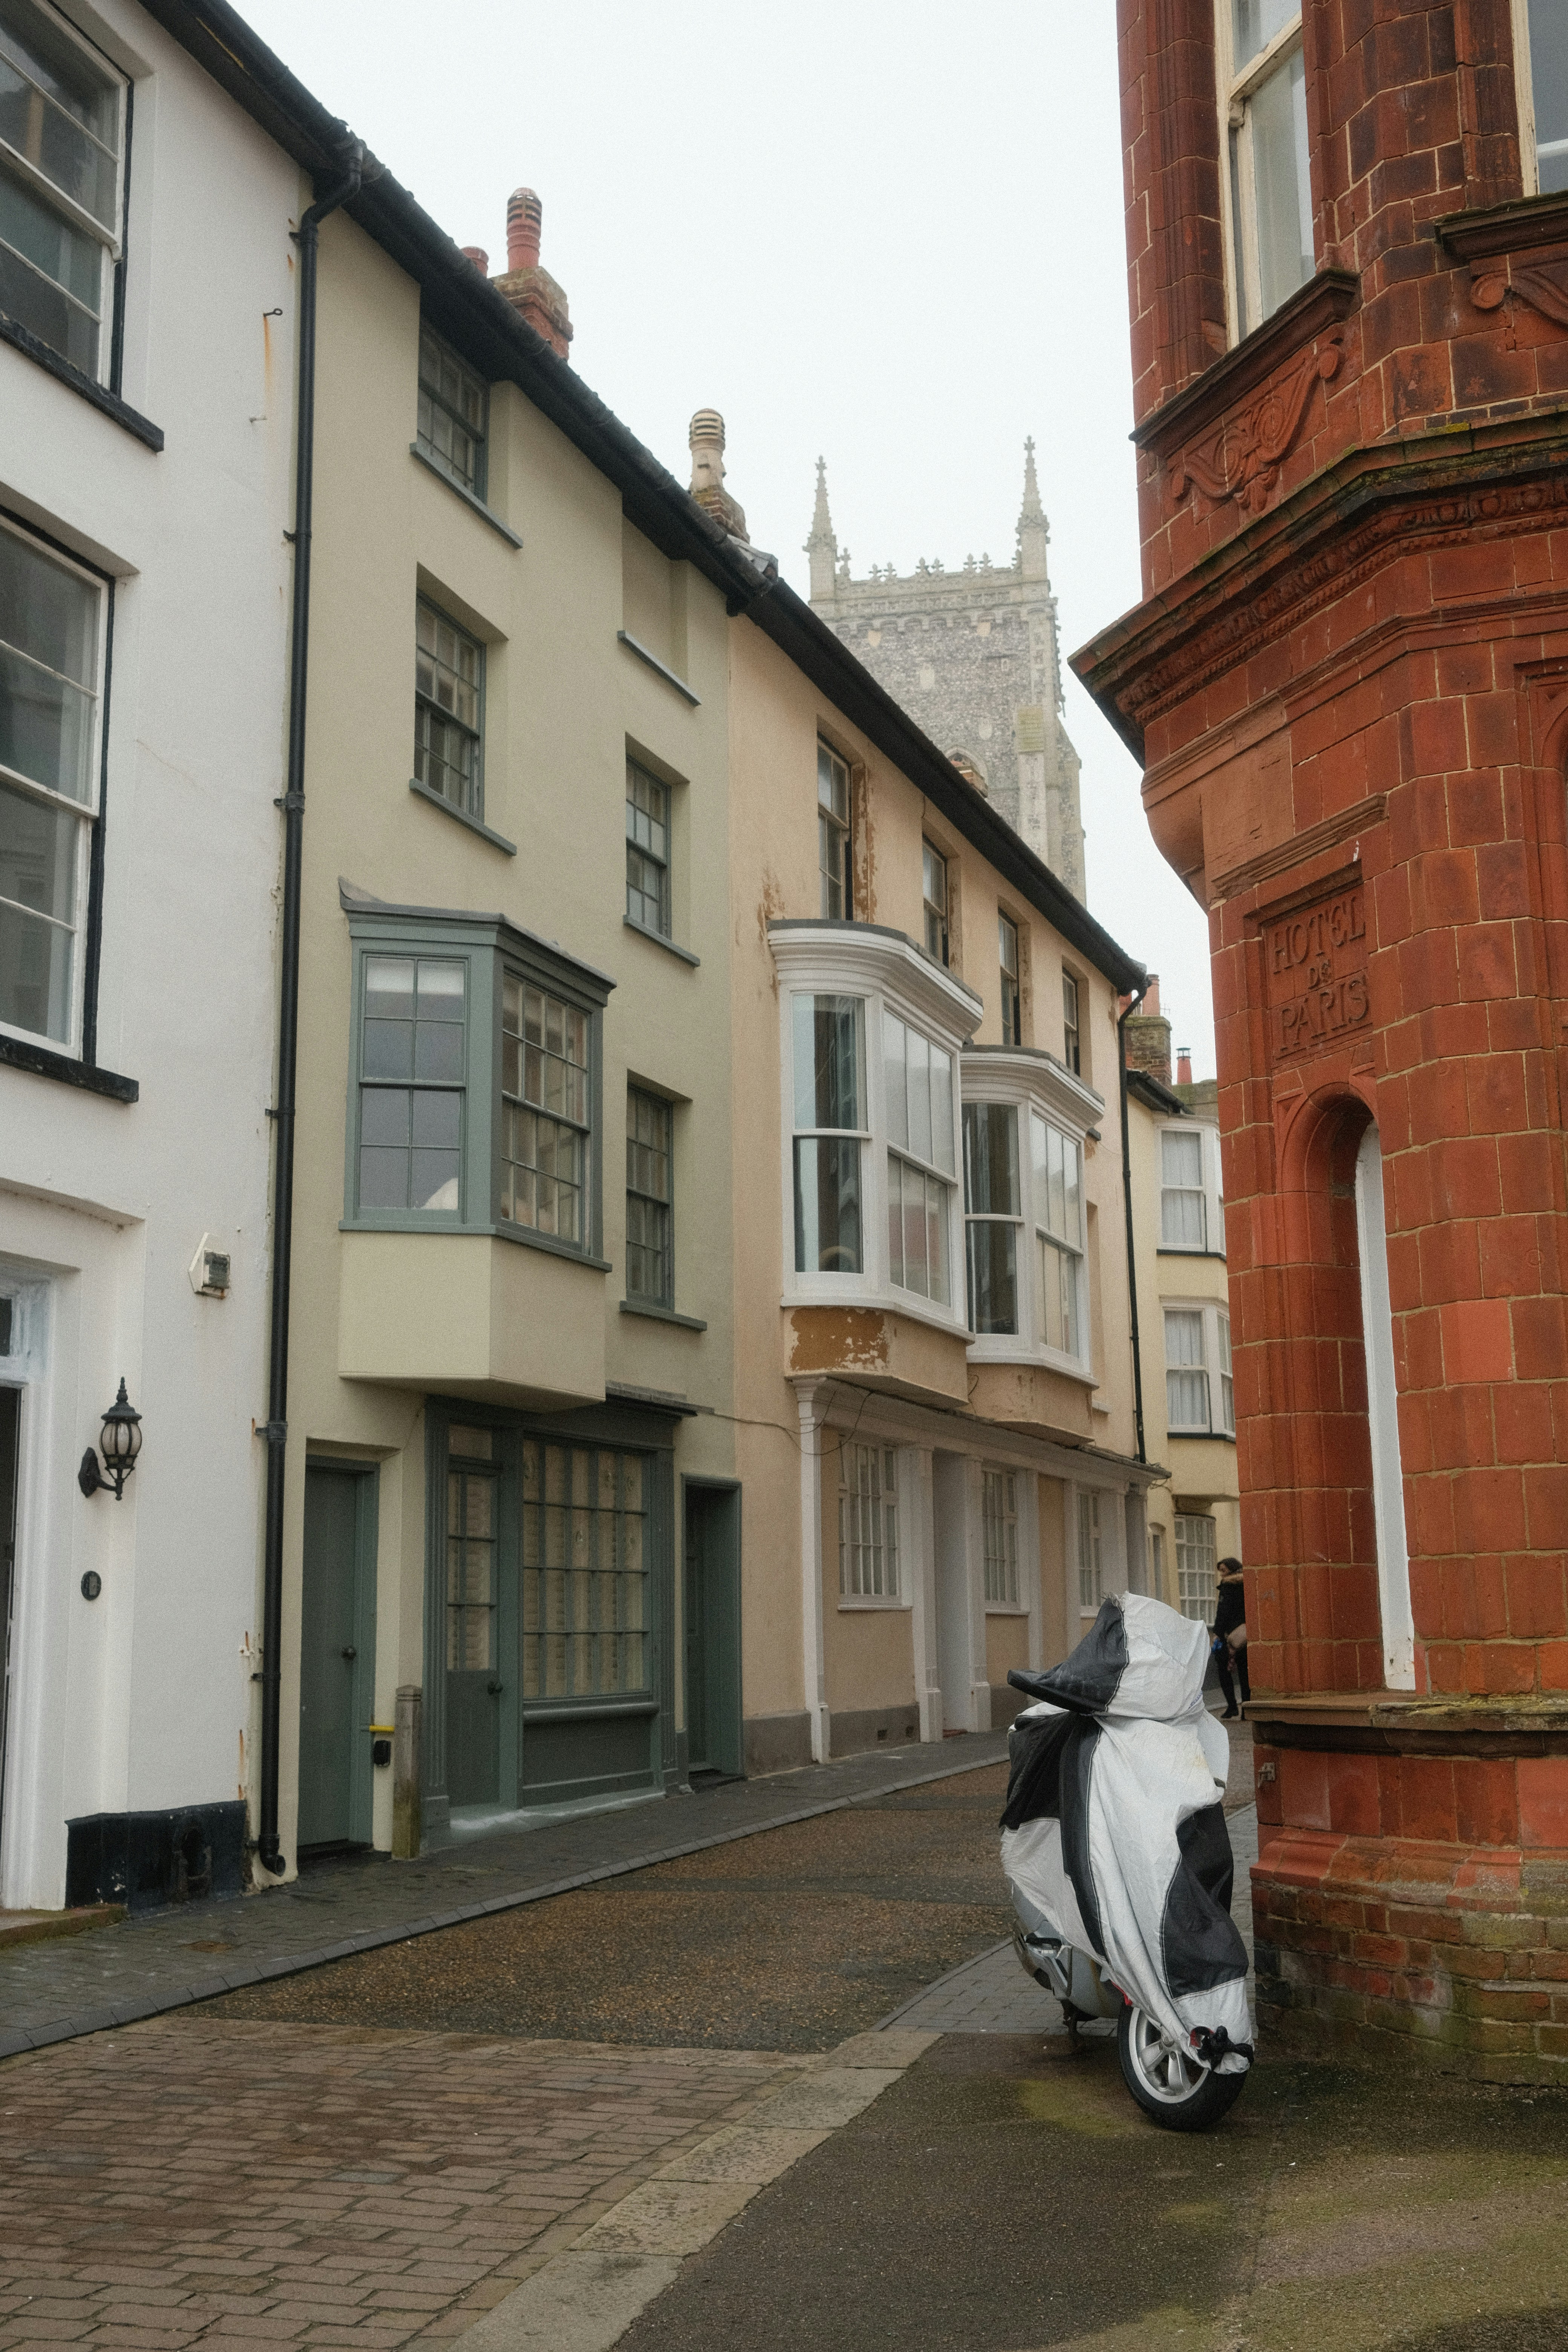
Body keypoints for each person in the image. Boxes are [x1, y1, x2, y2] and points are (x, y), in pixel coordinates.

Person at [1211, 1557, 1249, 1718]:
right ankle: (1247, 1709)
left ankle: (1232, 1706)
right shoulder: (1247, 1584)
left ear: (1232, 1570)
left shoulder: (1228, 1587)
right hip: (1246, 1634)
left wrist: (1217, 1633)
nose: (1222, 1575)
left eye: (1224, 1571)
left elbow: (1223, 1612)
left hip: (1230, 1636)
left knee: (1223, 1669)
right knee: (1245, 1673)